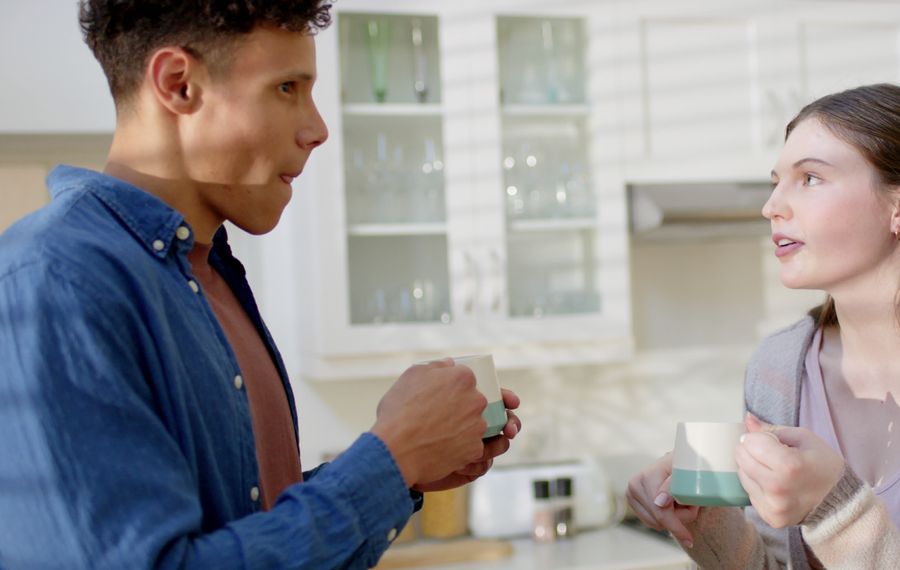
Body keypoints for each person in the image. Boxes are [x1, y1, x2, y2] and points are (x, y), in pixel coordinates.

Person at [0, 1, 521, 568]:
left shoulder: (209, 274)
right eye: (287, 88)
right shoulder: (57, 281)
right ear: (178, 85)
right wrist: (392, 458)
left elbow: (244, 525)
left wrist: (403, 469)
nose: (317, 129)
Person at [626, 83, 900, 569]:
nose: (772, 206)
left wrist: (834, 508)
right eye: (776, 181)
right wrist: (707, 522)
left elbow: (834, 514)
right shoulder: (781, 367)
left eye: (810, 178)